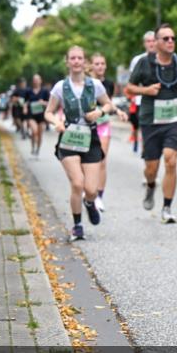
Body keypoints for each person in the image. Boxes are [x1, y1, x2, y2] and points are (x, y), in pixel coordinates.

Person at [44, 46, 127, 241]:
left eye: (79, 58)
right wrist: (56, 122)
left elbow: (108, 104)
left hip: (90, 139)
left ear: (85, 62)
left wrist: (99, 112)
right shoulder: (60, 87)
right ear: (67, 62)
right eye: (72, 58)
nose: (76, 61)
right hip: (69, 138)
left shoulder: (95, 85)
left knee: (91, 189)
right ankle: (77, 226)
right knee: (77, 183)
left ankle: (90, 203)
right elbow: (48, 112)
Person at [126, 23, 177, 222]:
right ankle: (150, 186)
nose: (171, 41)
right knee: (151, 168)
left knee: (171, 160)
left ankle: (167, 208)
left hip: (172, 120)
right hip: (150, 121)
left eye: (173, 38)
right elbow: (129, 88)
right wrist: (145, 90)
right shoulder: (144, 63)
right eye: (166, 38)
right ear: (156, 42)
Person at [91, 53, 117, 210]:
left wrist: (118, 111)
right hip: (88, 126)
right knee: (88, 161)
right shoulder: (87, 83)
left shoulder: (109, 84)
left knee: (101, 160)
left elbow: (109, 103)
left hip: (103, 125)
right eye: (97, 64)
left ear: (105, 66)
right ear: (91, 66)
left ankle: (99, 197)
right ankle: (89, 190)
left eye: (102, 63)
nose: (100, 66)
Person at [126, 31, 155, 154]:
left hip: (158, 101)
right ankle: (145, 151)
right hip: (140, 100)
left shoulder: (164, 58)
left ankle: (150, 150)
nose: (151, 44)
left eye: (153, 41)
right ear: (144, 43)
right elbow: (132, 82)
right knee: (143, 127)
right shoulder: (138, 60)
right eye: (148, 41)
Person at [25, 74, 51, 158]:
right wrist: (25, 108)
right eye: (34, 80)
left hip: (41, 115)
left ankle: (37, 150)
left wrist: (43, 103)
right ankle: (33, 147)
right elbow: (25, 101)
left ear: (40, 81)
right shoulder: (28, 91)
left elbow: (50, 103)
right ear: (32, 81)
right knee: (34, 131)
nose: (36, 81)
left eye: (37, 79)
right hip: (31, 114)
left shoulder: (45, 91)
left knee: (39, 134)